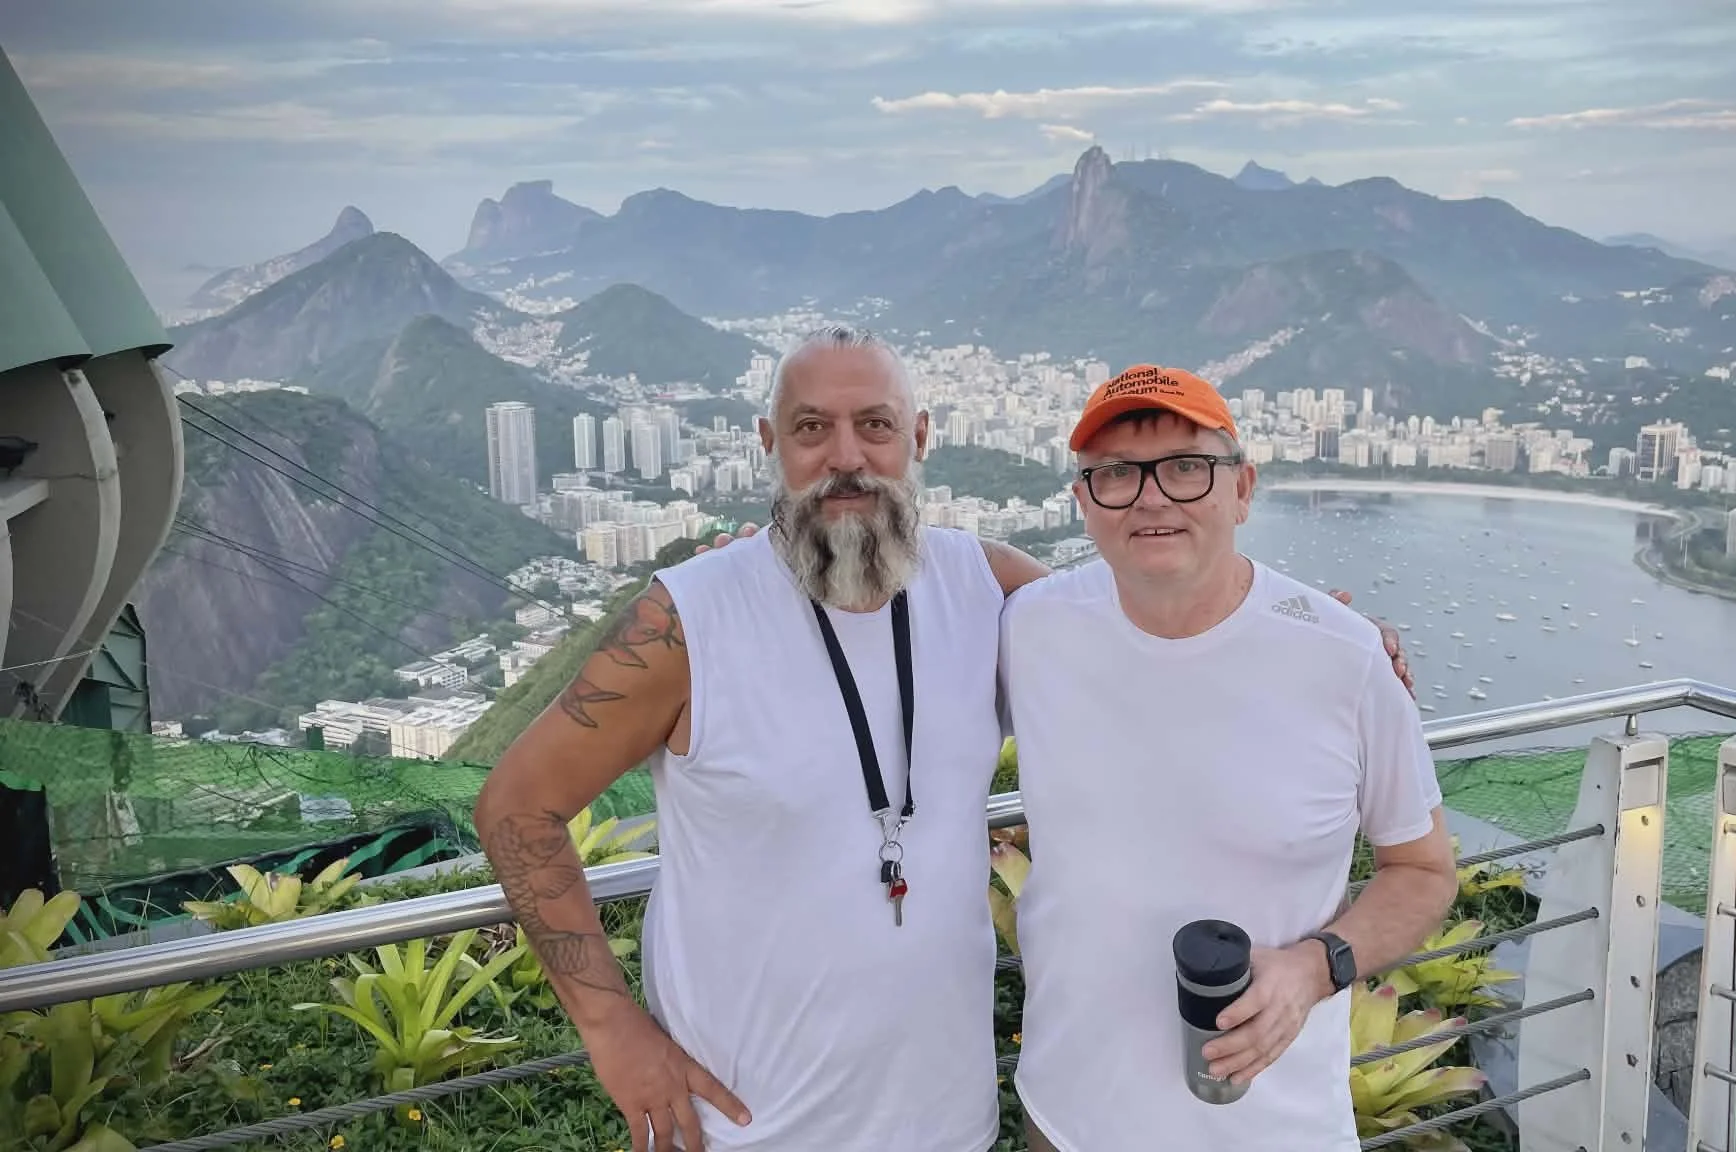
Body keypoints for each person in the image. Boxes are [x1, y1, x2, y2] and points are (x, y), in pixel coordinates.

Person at [472, 328, 1414, 1152]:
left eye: (876, 425)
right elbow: (518, 805)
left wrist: (1318, 635)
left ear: (919, 439)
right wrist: (611, 1032)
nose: (848, 455)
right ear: (769, 446)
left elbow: (1149, 632)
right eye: (812, 429)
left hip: (950, 1120)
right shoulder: (687, 624)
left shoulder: (992, 590)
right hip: (748, 1125)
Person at [997, 364, 1460, 1152]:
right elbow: (901, 564)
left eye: (1186, 468)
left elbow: (1422, 871)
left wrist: (1316, 968)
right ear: (1084, 502)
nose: (1151, 497)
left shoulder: (1345, 660)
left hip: (1275, 1130)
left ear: (1242, 489)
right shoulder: (1030, 627)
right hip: (1067, 1119)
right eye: (1115, 474)